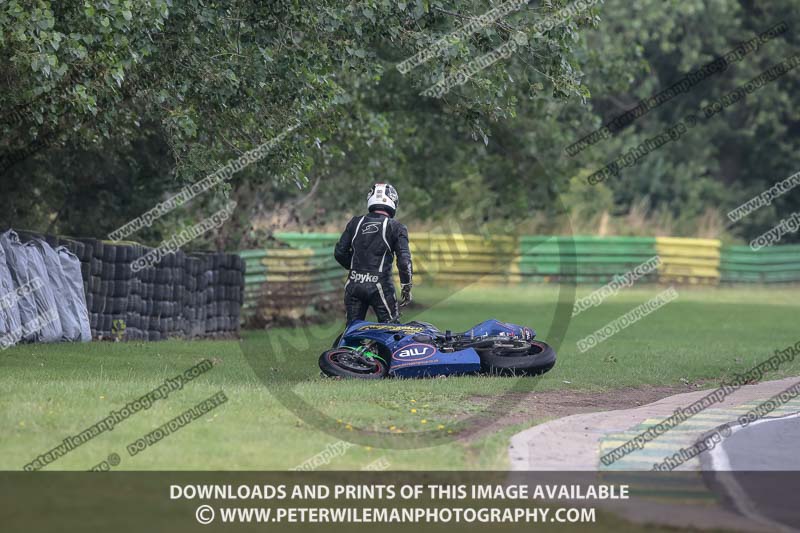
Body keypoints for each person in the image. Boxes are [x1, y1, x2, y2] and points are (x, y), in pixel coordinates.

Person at [334, 183, 413, 323]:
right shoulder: (396, 227)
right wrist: (406, 286)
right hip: (381, 287)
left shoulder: (354, 223)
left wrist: (357, 269)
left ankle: (347, 345)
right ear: (393, 200)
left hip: (354, 285)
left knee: (353, 332)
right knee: (390, 332)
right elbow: (404, 261)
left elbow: (340, 253)